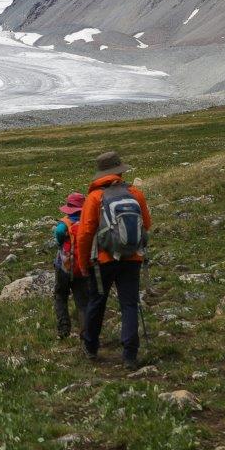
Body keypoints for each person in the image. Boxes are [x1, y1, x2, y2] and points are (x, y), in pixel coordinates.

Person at [75, 151, 151, 367]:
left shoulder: (95, 198)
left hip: (102, 261)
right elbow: (146, 223)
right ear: (119, 171)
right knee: (129, 304)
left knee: (97, 302)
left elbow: (85, 234)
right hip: (132, 257)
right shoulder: (135, 193)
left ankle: (90, 347)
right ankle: (129, 355)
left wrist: (83, 264)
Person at [52, 192, 91, 339]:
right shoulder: (88, 222)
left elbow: (59, 236)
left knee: (61, 296)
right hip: (82, 267)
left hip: (64, 267)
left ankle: (63, 329)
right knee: (82, 301)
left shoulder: (64, 224)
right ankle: (86, 333)